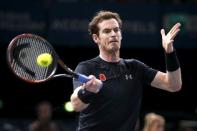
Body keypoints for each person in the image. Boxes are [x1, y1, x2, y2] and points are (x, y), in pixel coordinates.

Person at [70, 10, 182, 131]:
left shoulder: (135, 67)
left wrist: (170, 53)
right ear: (96, 38)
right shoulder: (86, 67)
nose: (113, 34)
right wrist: (87, 91)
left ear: (121, 34)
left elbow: (173, 85)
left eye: (116, 30)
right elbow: (76, 104)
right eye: (107, 31)